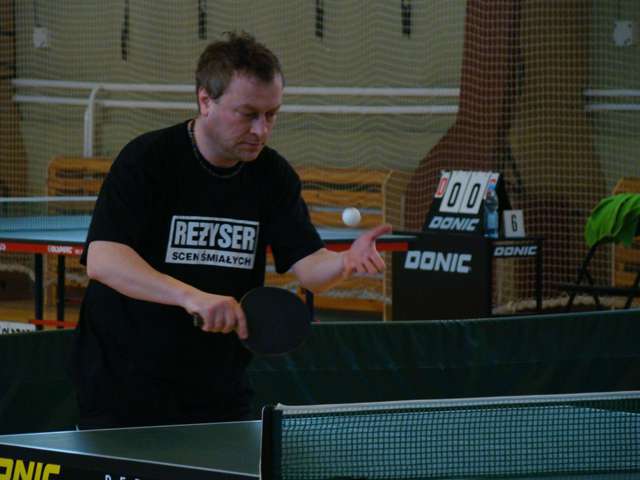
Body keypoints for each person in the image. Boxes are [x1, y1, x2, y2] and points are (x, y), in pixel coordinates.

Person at [71, 31, 392, 429]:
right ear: (205, 101)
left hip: (217, 385)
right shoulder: (148, 159)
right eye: (247, 114)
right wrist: (191, 297)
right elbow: (104, 259)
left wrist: (344, 263)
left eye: (271, 115)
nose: (261, 130)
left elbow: (310, 267)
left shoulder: (272, 175)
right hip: (123, 380)